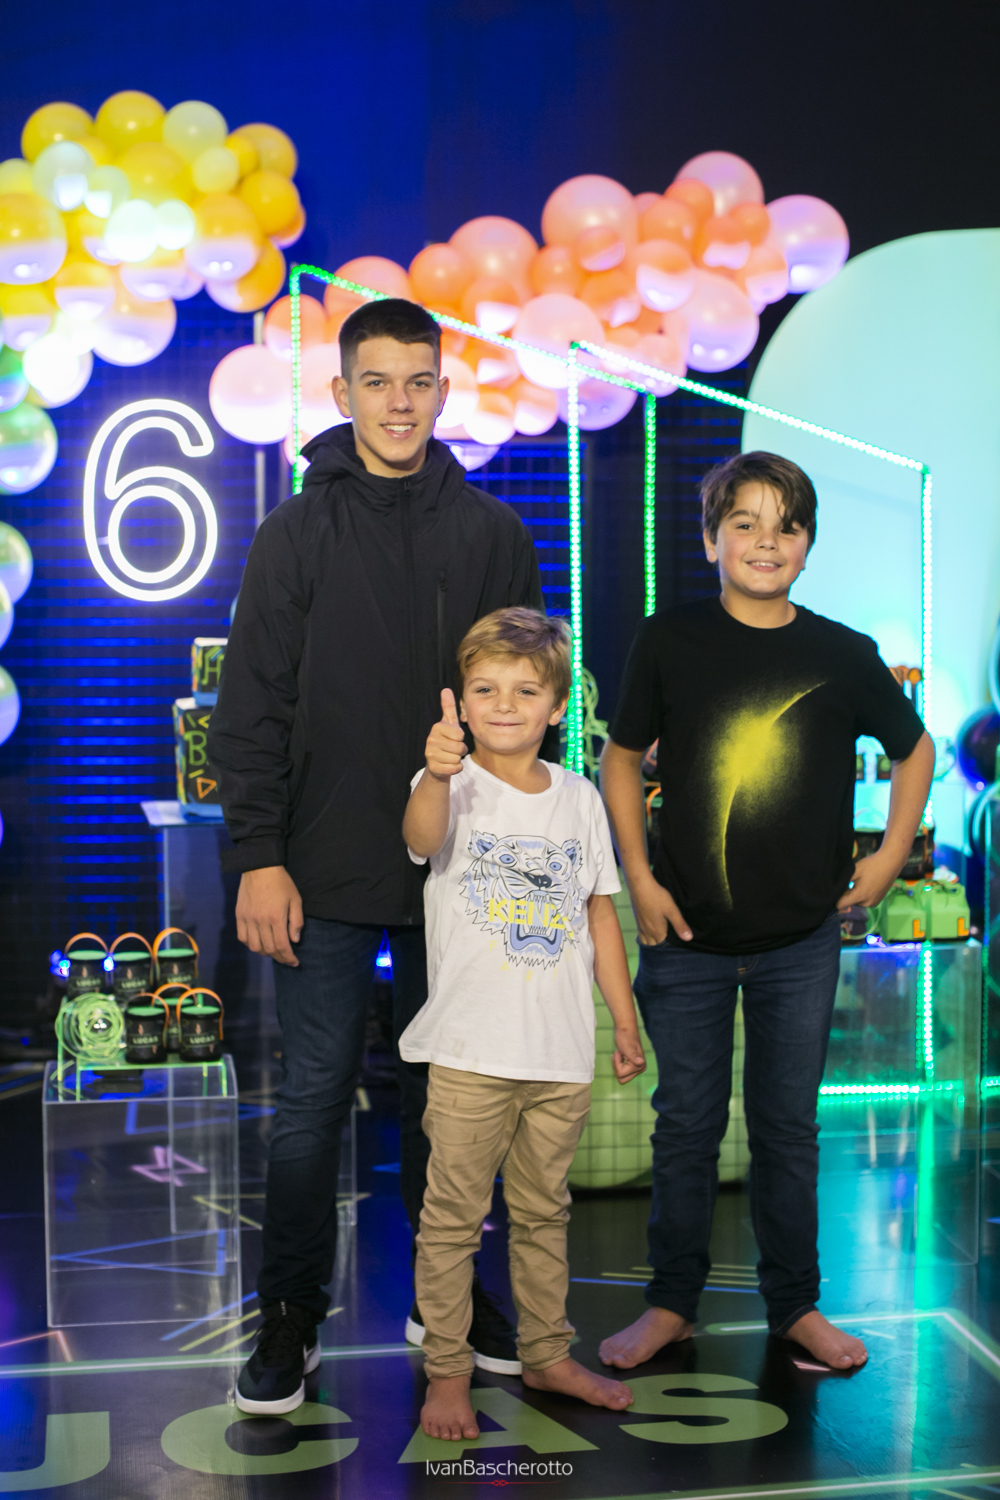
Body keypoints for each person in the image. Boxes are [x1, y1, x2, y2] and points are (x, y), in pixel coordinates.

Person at [209, 298, 548, 1415]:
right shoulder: (295, 533)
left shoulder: (493, 534)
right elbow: (249, 710)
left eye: (418, 381)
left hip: (463, 874)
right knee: (312, 1103)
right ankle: (290, 1314)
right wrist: (260, 856)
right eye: (377, 381)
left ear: (443, 391)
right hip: (323, 869)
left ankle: (444, 1302)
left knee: (454, 1105)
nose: (399, 403)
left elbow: (522, 708)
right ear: (343, 392)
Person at [598, 450, 935, 1374]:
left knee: (788, 1132)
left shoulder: (842, 653)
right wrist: (639, 877)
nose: (764, 541)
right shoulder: (669, 640)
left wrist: (889, 856)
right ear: (710, 539)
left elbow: (914, 749)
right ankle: (671, 1304)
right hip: (686, 936)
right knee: (686, 1128)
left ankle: (795, 1306)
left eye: (785, 526)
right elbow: (621, 759)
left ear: (807, 545)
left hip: (799, 942)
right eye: (742, 523)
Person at [399, 608, 647, 1440]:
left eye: (525, 690)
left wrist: (623, 1020)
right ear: (462, 701)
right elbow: (419, 838)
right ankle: (447, 1370)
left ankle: (545, 1353)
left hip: (559, 1055)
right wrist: (436, 774)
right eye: (485, 688)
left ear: (557, 705)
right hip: (470, 1053)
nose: (504, 704)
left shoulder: (580, 799)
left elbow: (600, 915)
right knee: (452, 1222)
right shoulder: (448, 784)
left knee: (545, 1216)